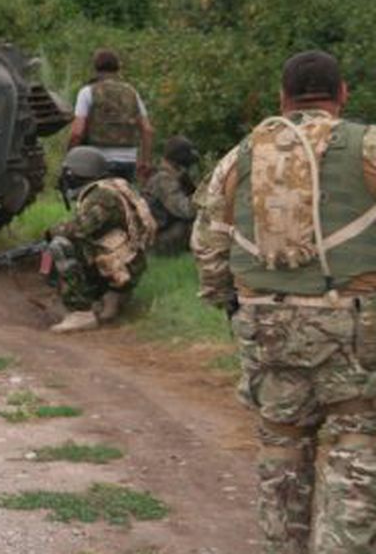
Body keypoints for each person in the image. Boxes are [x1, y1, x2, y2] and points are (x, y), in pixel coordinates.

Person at [192, 50, 376, 554]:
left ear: (283, 97)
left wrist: (230, 303)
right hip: (354, 333)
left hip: (265, 327)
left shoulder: (241, 155)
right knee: (355, 448)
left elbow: (209, 246)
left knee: (281, 452)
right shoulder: (368, 146)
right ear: (342, 95)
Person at [47, 146, 156, 333]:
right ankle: (112, 297)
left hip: (122, 267)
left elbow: (79, 229)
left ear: (77, 174)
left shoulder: (100, 197)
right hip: (130, 263)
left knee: (61, 245)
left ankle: (80, 313)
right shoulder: (114, 186)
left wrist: (52, 232)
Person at [68, 48, 155, 182]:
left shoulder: (87, 92)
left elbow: (76, 133)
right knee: (125, 200)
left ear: (95, 68)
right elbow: (147, 130)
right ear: (118, 69)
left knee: (94, 200)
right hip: (128, 161)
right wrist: (146, 162)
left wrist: (70, 158)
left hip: (96, 161)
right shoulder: (132, 92)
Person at [143, 135, 200, 255]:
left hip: (165, 233)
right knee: (199, 226)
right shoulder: (163, 180)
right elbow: (186, 211)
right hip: (158, 241)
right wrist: (206, 199)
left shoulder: (172, 176)